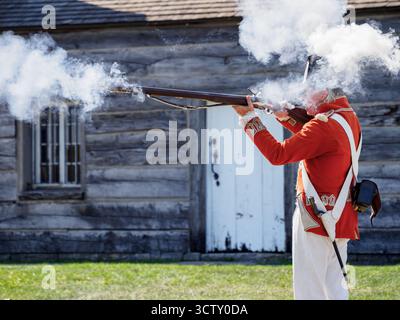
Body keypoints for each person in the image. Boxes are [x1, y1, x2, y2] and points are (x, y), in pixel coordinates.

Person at [232, 88, 362, 300]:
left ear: (324, 92)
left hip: (315, 217)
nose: (302, 98)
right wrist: (285, 117)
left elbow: (278, 154)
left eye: (309, 91)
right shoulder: (346, 116)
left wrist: (249, 118)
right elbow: (315, 139)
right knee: (334, 288)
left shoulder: (323, 125)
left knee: (309, 290)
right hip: (339, 217)